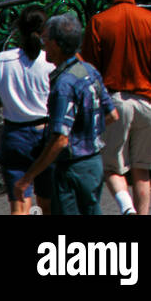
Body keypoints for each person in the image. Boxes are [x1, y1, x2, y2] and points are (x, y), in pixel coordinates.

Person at [81, 0, 151, 215]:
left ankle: (127, 209)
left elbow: (90, 71)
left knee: (112, 168)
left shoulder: (98, 22)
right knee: (142, 170)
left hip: (115, 103)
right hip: (149, 103)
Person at [15, 14, 119, 217]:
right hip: (94, 163)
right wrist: (86, 134)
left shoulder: (64, 84)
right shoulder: (88, 70)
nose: (43, 45)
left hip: (72, 169)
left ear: (56, 44)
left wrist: (28, 178)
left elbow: (60, 139)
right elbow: (112, 114)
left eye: (46, 40)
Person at [0, 6, 54, 214]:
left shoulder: (0, 61)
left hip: (15, 134)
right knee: (49, 201)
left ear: (18, 28)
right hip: (47, 134)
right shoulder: (52, 61)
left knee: (19, 202)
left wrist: (5, 100)